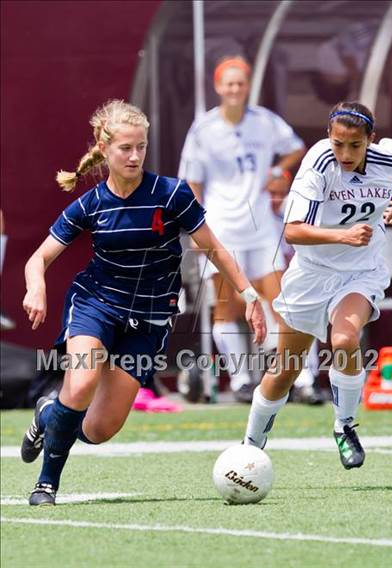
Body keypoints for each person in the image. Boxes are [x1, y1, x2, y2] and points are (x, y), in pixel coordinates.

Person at [21, 99, 266, 506]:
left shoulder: (171, 194)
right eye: (125, 148)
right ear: (104, 149)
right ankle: (46, 483)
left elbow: (216, 250)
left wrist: (250, 294)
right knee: (80, 382)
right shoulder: (91, 204)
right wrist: (36, 287)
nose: (135, 156)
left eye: (141, 147)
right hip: (96, 305)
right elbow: (38, 258)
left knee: (99, 430)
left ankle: (49, 415)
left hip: (150, 321)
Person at [243, 101, 392, 469]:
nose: (345, 153)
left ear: (372, 140)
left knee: (346, 340)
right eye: (338, 144)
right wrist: (343, 236)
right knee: (283, 372)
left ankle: (344, 425)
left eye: (355, 145)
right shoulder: (318, 163)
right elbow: (293, 231)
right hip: (311, 274)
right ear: (328, 138)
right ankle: (249, 447)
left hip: (361, 272)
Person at [178, 56, 305, 402]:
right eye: (228, 83)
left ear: (248, 86)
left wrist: (278, 171)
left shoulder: (265, 122)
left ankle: (295, 379)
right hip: (221, 228)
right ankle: (241, 381)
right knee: (227, 307)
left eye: (240, 83)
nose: (234, 89)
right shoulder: (203, 129)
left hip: (262, 226)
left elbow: (296, 149)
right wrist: (197, 225)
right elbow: (191, 180)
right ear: (218, 87)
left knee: (281, 302)